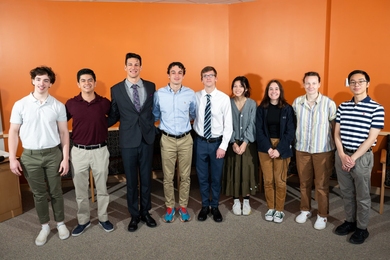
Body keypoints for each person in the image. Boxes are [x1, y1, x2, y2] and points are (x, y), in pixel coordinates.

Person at [8, 66, 70, 246]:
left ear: (51, 83)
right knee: (39, 194)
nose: (41, 83)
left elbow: (64, 133)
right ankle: (44, 226)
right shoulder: (20, 105)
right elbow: (13, 132)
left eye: (46, 80)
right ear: (32, 81)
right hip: (30, 156)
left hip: (53, 154)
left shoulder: (58, 106)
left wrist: (65, 158)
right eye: (38, 79)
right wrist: (13, 158)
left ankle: (60, 224)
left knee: (56, 192)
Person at [334, 70, 384, 244]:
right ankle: (350, 221)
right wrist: (341, 154)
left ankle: (362, 228)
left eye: (360, 81)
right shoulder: (343, 106)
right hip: (342, 154)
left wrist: (352, 158)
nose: (356, 85)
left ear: (367, 84)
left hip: (361, 157)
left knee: (362, 195)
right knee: (346, 192)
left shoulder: (377, 108)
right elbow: (337, 134)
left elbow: (371, 138)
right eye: (353, 82)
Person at [108, 52, 157, 232]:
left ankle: (146, 212)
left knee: (146, 179)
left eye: (137, 64)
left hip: (147, 139)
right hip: (128, 140)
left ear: (141, 67)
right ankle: (134, 215)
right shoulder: (116, 89)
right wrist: (96, 122)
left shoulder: (151, 86)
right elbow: (114, 115)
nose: (133, 67)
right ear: (125, 67)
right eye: (130, 64)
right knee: (131, 181)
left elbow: (154, 110)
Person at [66, 68, 113, 236]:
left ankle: (103, 218)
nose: (87, 83)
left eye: (90, 80)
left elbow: (114, 116)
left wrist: (101, 126)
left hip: (100, 150)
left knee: (102, 188)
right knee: (80, 190)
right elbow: (61, 124)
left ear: (95, 82)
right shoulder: (71, 104)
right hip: (79, 151)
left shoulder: (104, 103)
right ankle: (83, 221)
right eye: (83, 80)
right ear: (78, 83)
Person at [292, 71, 336, 230]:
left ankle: (322, 215)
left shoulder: (328, 103)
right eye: (307, 83)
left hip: (322, 150)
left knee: (322, 184)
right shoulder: (297, 102)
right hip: (302, 149)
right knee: (304, 183)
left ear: (319, 84)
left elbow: (334, 127)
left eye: (314, 83)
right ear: (303, 84)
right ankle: (305, 210)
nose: (310, 86)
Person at [153, 62, 196, 223]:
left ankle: (183, 206)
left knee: (185, 176)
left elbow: (193, 114)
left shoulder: (190, 94)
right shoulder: (159, 94)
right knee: (168, 177)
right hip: (167, 140)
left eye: (179, 72)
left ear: (183, 75)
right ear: (168, 75)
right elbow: (155, 114)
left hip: (185, 139)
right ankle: (170, 207)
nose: (176, 75)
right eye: (173, 72)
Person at [193, 66, 233, 223]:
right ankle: (204, 206)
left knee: (216, 177)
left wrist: (223, 146)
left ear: (216, 78)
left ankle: (215, 206)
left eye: (211, 75)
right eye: (205, 76)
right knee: (202, 177)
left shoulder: (223, 99)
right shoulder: (195, 97)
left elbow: (228, 125)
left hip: (217, 143)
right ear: (201, 79)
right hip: (200, 142)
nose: (208, 78)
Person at [256, 80, 295, 223]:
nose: (273, 91)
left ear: (280, 91)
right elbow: (258, 131)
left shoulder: (287, 109)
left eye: (276, 89)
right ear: (267, 91)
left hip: (282, 147)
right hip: (265, 147)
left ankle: (279, 210)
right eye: (270, 89)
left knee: (280, 181)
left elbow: (290, 132)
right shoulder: (262, 109)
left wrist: (278, 149)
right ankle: (270, 207)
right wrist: (268, 148)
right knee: (268, 180)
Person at [222, 76, 258, 216]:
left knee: (247, 170)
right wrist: (233, 142)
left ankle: (247, 200)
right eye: (235, 86)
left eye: (241, 86)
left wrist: (244, 143)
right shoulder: (228, 103)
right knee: (234, 171)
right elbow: (226, 123)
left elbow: (253, 124)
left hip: (247, 145)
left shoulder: (252, 104)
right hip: (232, 143)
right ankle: (236, 200)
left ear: (246, 88)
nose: (237, 89)